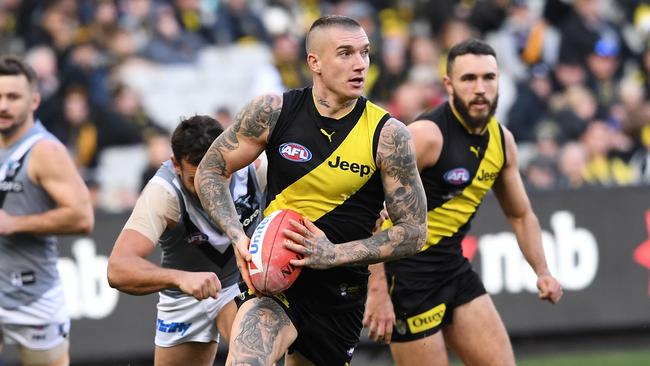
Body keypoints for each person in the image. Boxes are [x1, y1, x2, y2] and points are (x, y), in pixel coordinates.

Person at [194, 15, 428, 366]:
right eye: (345, 53)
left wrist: (332, 254)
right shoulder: (274, 112)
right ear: (314, 62)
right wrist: (238, 237)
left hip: (339, 294)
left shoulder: (389, 135)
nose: (360, 64)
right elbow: (210, 170)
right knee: (246, 361)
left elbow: (414, 231)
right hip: (274, 287)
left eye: (365, 53)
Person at [363, 39, 564, 365]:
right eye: (469, 79)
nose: (480, 88)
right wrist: (376, 292)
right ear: (449, 84)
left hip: (452, 268)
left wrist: (543, 271)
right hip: (406, 276)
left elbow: (521, 214)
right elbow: (367, 209)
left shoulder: (502, 141)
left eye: (489, 77)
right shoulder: (426, 136)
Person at [107, 115, 263, 366]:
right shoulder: (163, 193)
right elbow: (118, 268)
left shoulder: (254, 169)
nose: (207, 190)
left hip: (238, 283)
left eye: (219, 176)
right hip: (184, 296)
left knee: (253, 358)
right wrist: (181, 278)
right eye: (195, 180)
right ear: (176, 165)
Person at [0, 56, 94, 365]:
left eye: (13, 97)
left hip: (32, 295)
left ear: (34, 100)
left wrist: (15, 223)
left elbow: (82, 217)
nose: (3, 105)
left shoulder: (46, 151)